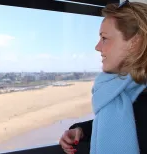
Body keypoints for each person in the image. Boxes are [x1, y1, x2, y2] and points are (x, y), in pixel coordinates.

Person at [59, 1, 147, 154]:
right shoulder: (127, 90)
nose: (97, 47)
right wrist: (82, 130)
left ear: (134, 42)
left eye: (104, 38)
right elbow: (125, 122)